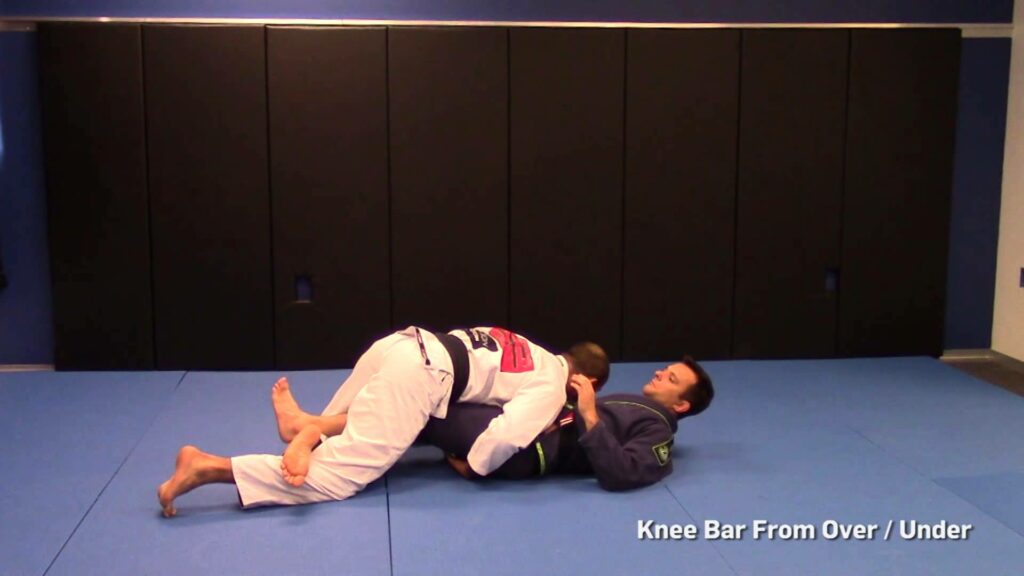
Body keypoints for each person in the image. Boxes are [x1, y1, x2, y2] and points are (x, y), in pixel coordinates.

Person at [157, 327, 607, 516]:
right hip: (422, 377)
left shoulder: (528, 346)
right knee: (338, 476)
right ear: (585, 381)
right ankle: (210, 467)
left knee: (351, 425)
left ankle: (306, 427)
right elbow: (505, 435)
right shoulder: (552, 387)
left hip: (404, 344)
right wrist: (476, 466)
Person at [422, 356, 713, 491]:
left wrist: (589, 414)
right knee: (440, 397)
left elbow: (623, 474)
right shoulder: (637, 405)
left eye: (671, 378)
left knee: (428, 414)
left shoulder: (658, 432)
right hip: (534, 419)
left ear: (681, 405)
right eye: (665, 369)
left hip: (532, 447)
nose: (659, 373)